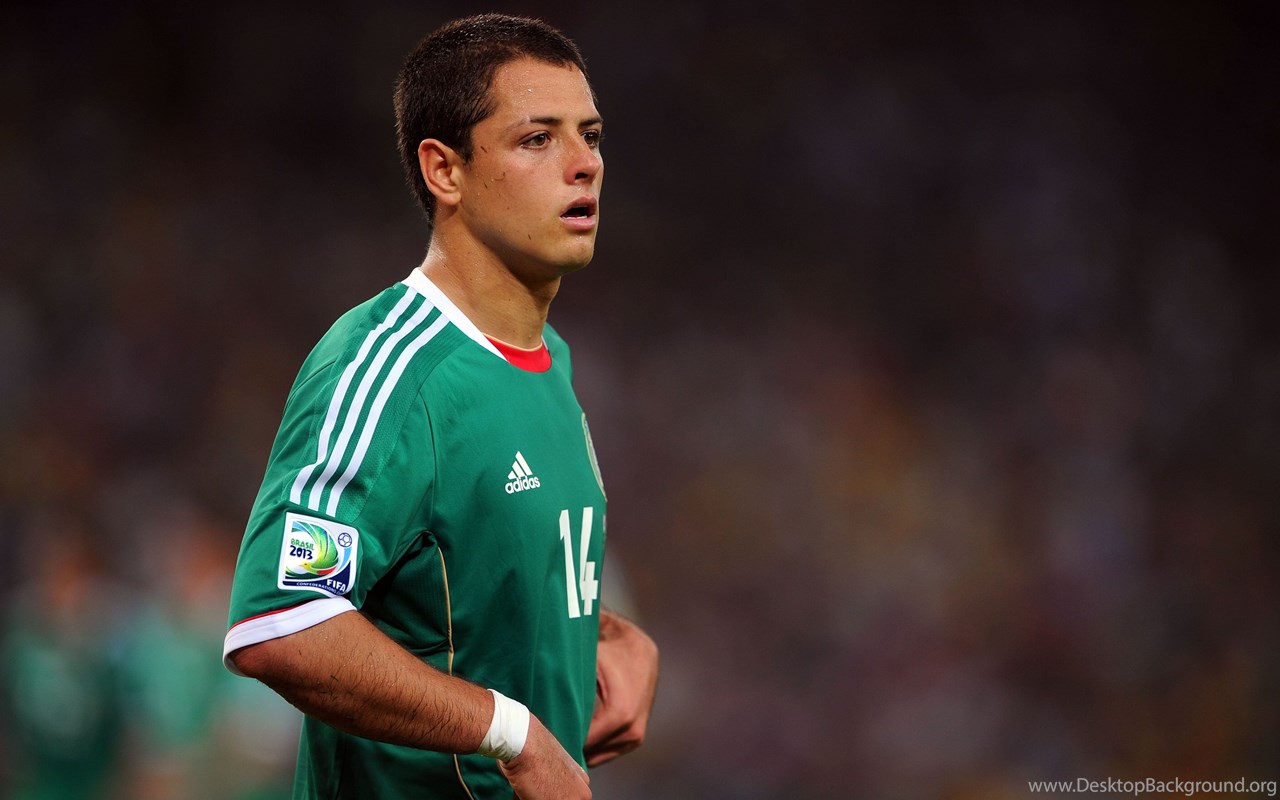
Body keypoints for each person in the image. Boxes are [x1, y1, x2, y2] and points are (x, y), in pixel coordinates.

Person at [222, 14, 658, 799]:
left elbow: (472, 580)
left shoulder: (548, 362)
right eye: (537, 139)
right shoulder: (387, 366)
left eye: (590, 135)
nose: (584, 163)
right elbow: (282, 621)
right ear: (444, 170)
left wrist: (611, 637)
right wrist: (512, 733)